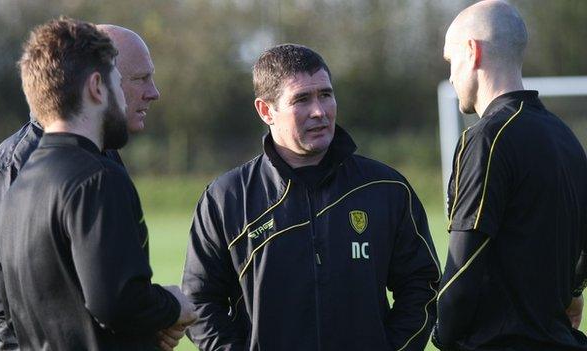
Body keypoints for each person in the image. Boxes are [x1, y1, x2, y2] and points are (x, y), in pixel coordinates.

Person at [182, 44, 441, 350]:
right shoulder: (226, 198)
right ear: (266, 111)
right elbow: (199, 302)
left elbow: (423, 287)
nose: (319, 111)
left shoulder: (386, 188)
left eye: (326, 95)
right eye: (301, 99)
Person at [0, 17, 195, 350]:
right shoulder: (96, 178)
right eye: (119, 82)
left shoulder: (21, 183)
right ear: (97, 87)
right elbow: (116, 303)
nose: (128, 97)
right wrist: (174, 305)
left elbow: (68, 310)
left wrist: (151, 325)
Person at [434, 1, 587, 350]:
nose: (452, 76)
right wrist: (572, 292)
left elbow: (464, 263)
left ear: (472, 52)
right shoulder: (565, 136)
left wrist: (443, 332)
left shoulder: (487, 137)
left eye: (450, 61)